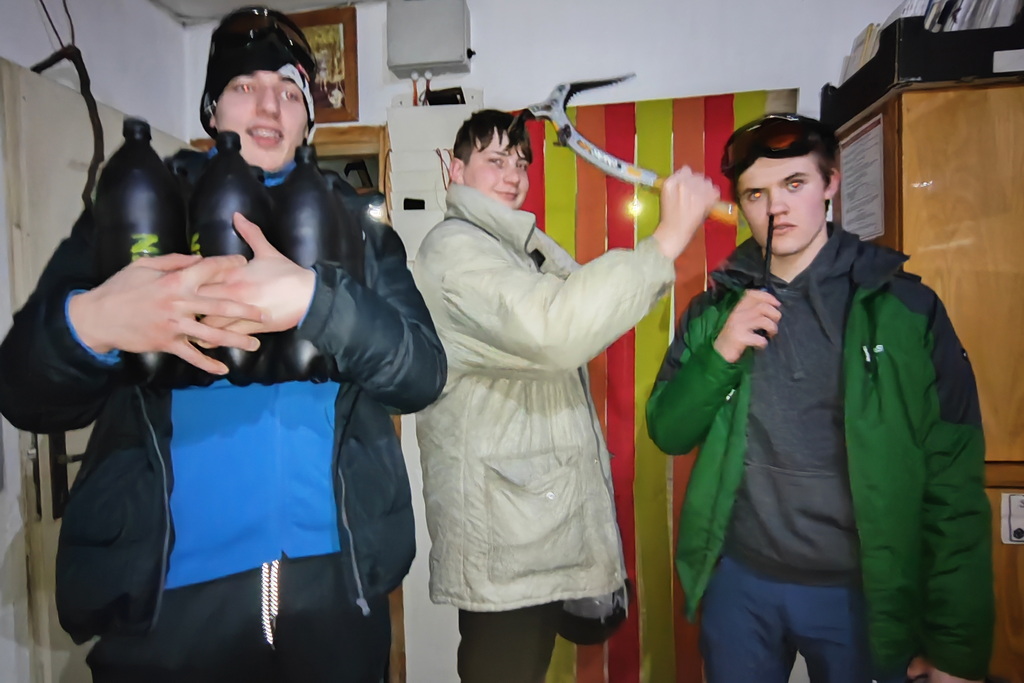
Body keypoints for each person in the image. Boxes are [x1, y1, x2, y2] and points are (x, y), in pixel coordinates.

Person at [0, 6, 445, 683]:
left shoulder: (360, 227)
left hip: (335, 588)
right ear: (212, 109)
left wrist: (316, 301)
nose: (269, 104)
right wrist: (92, 322)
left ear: (308, 119)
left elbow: (423, 373)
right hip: (170, 605)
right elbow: (21, 390)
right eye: (244, 85)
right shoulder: (140, 207)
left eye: (289, 91)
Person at [645, 113, 993, 683]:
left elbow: (953, 482)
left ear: (830, 183)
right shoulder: (713, 310)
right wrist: (723, 350)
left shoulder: (906, 311)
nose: (775, 208)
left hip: (863, 592)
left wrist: (958, 647)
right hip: (742, 584)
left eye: (794, 184)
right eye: (755, 194)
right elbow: (668, 430)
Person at [412, 109, 720, 683]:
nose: (513, 175)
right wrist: (665, 241)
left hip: (526, 529)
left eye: (521, 162)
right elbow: (557, 330)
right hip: (504, 540)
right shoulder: (456, 249)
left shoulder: (507, 246)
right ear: (456, 170)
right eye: (495, 160)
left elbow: (583, 302)